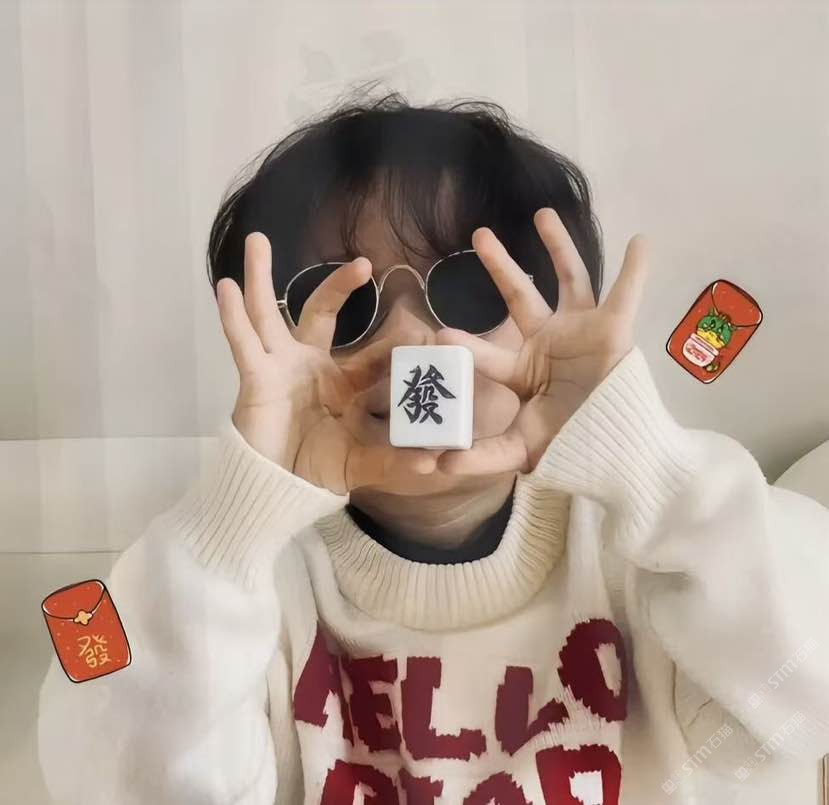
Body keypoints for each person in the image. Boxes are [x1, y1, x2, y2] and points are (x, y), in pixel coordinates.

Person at [37, 87, 829, 804]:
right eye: (343, 304)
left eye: (472, 289)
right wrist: (230, 526)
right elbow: (106, 781)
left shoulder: (652, 549)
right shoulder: (236, 581)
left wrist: (651, 467)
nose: (411, 340)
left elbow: (807, 700)